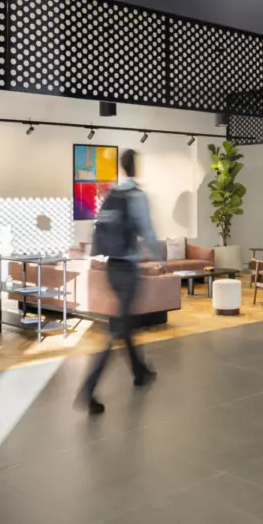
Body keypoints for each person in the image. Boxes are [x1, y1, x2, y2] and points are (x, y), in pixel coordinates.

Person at [79, 148, 157, 413]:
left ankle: (140, 371)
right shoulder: (136, 195)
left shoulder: (113, 194)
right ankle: (88, 390)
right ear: (135, 166)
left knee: (125, 324)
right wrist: (160, 259)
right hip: (128, 270)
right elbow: (146, 230)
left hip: (112, 267)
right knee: (118, 330)